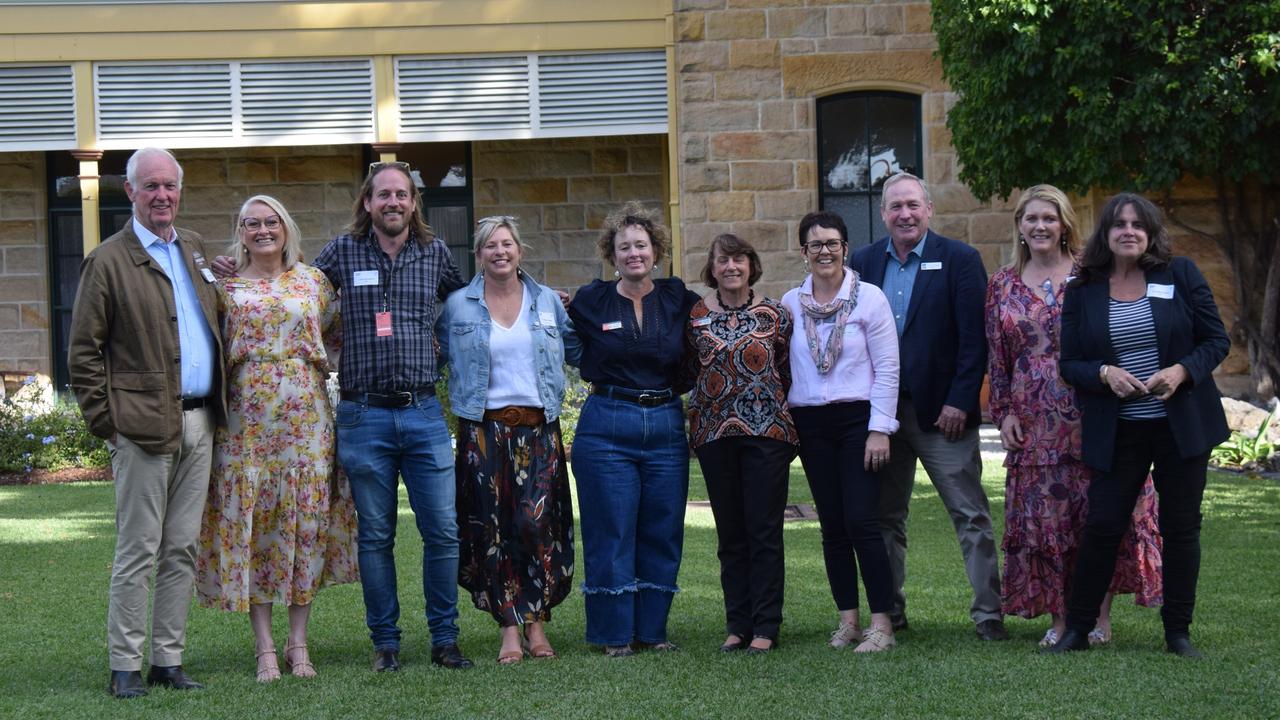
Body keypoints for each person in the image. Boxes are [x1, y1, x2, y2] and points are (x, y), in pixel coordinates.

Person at [217, 161, 470, 671]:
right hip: (363, 415)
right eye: (383, 195)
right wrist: (227, 267)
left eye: (402, 194)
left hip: (423, 411)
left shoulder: (435, 252)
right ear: (368, 203)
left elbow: (468, 302)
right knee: (374, 535)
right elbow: (294, 293)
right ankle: (386, 645)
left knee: (442, 530)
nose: (393, 202)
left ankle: (444, 639)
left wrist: (531, 293)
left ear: (413, 203)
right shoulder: (340, 252)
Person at [68, 147, 226, 698]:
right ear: (130, 192)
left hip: (200, 423)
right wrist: (105, 423)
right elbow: (84, 352)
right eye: (151, 186)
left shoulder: (196, 248)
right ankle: (125, 666)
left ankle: (168, 660)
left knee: (181, 546)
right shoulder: (108, 260)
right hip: (139, 427)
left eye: (170, 186)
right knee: (138, 549)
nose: (162, 196)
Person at [1049, 193, 1229, 658]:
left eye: (1137, 224)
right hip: (1120, 429)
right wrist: (1104, 373)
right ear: (1105, 234)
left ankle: (1177, 634)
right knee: (1103, 526)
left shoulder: (1180, 274)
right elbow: (1070, 363)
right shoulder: (1083, 288)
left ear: (1150, 232)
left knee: (1181, 527)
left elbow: (1216, 340)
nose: (1128, 231)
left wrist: (1182, 370)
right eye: (1118, 224)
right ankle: (1079, 630)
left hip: (1181, 426)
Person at [985, 185, 1162, 648]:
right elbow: (997, 358)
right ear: (1019, 226)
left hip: (1096, 411)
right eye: (1031, 218)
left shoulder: (1094, 274)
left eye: (1049, 218)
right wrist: (1002, 413)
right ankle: (1062, 620)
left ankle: (1098, 617)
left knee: (1098, 516)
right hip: (1035, 420)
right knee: (1050, 520)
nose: (1040, 226)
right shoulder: (1002, 283)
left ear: (1064, 224)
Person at [195, 195, 359, 682]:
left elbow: (336, 334)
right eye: (252, 223)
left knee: (303, 526)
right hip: (244, 423)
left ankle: (299, 643)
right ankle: (265, 647)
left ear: (286, 228)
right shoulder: (222, 285)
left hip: (306, 421)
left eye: (271, 222)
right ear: (240, 230)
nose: (263, 230)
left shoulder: (313, 281)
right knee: (256, 524)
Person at [848, 172, 1005, 640]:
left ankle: (988, 615)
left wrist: (961, 400)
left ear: (929, 210)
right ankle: (890, 613)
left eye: (913, 205)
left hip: (943, 416)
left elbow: (974, 340)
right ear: (882, 214)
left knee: (970, 514)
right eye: (895, 206)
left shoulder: (959, 259)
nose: (905, 214)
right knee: (885, 518)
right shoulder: (862, 263)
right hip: (882, 417)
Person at [437, 215, 581, 664]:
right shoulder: (459, 305)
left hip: (539, 429)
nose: (500, 252)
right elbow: (435, 357)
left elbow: (578, 349)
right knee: (493, 532)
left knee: (536, 527)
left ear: (520, 250)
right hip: (485, 433)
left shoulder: (547, 303)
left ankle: (537, 625)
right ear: (478, 255)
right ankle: (509, 633)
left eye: (507, 244)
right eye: (490, 246)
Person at [567, 202, 700, 658]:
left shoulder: (678, 297)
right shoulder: (591, 300)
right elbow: (552, 329)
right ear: (612, 253)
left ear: (656, 250)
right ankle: (614, 635)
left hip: (665, 423)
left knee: (662, 530)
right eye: (624, 247)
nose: (633, 253)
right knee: (611, 530)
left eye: (641, 245)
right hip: (607, 423)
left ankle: (653, 630)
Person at [784, 212, 901, 653]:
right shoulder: (791, 304)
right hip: (812, 422)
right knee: (831, 525)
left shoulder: (869, 299)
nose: (825, 252)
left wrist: (879, 430)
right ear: (803, 252)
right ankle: (847, 622)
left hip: (858, 421)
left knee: (861, 522)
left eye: (833, 243)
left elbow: (888, 369)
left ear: (846, 248)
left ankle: (882, 625)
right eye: (815, 245)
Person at [685, 233, 797, 655]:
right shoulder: (696, 316)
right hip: (715, 436)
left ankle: (766, 625)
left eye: (739, 258)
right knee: (730, 534)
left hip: (767, 434)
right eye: (722, 260)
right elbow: (687, 369)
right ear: (711, 268)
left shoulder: (776, 314)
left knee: (763, 531)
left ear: (751, 264)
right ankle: (738, 624)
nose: (731, 266)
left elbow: (789, 370)